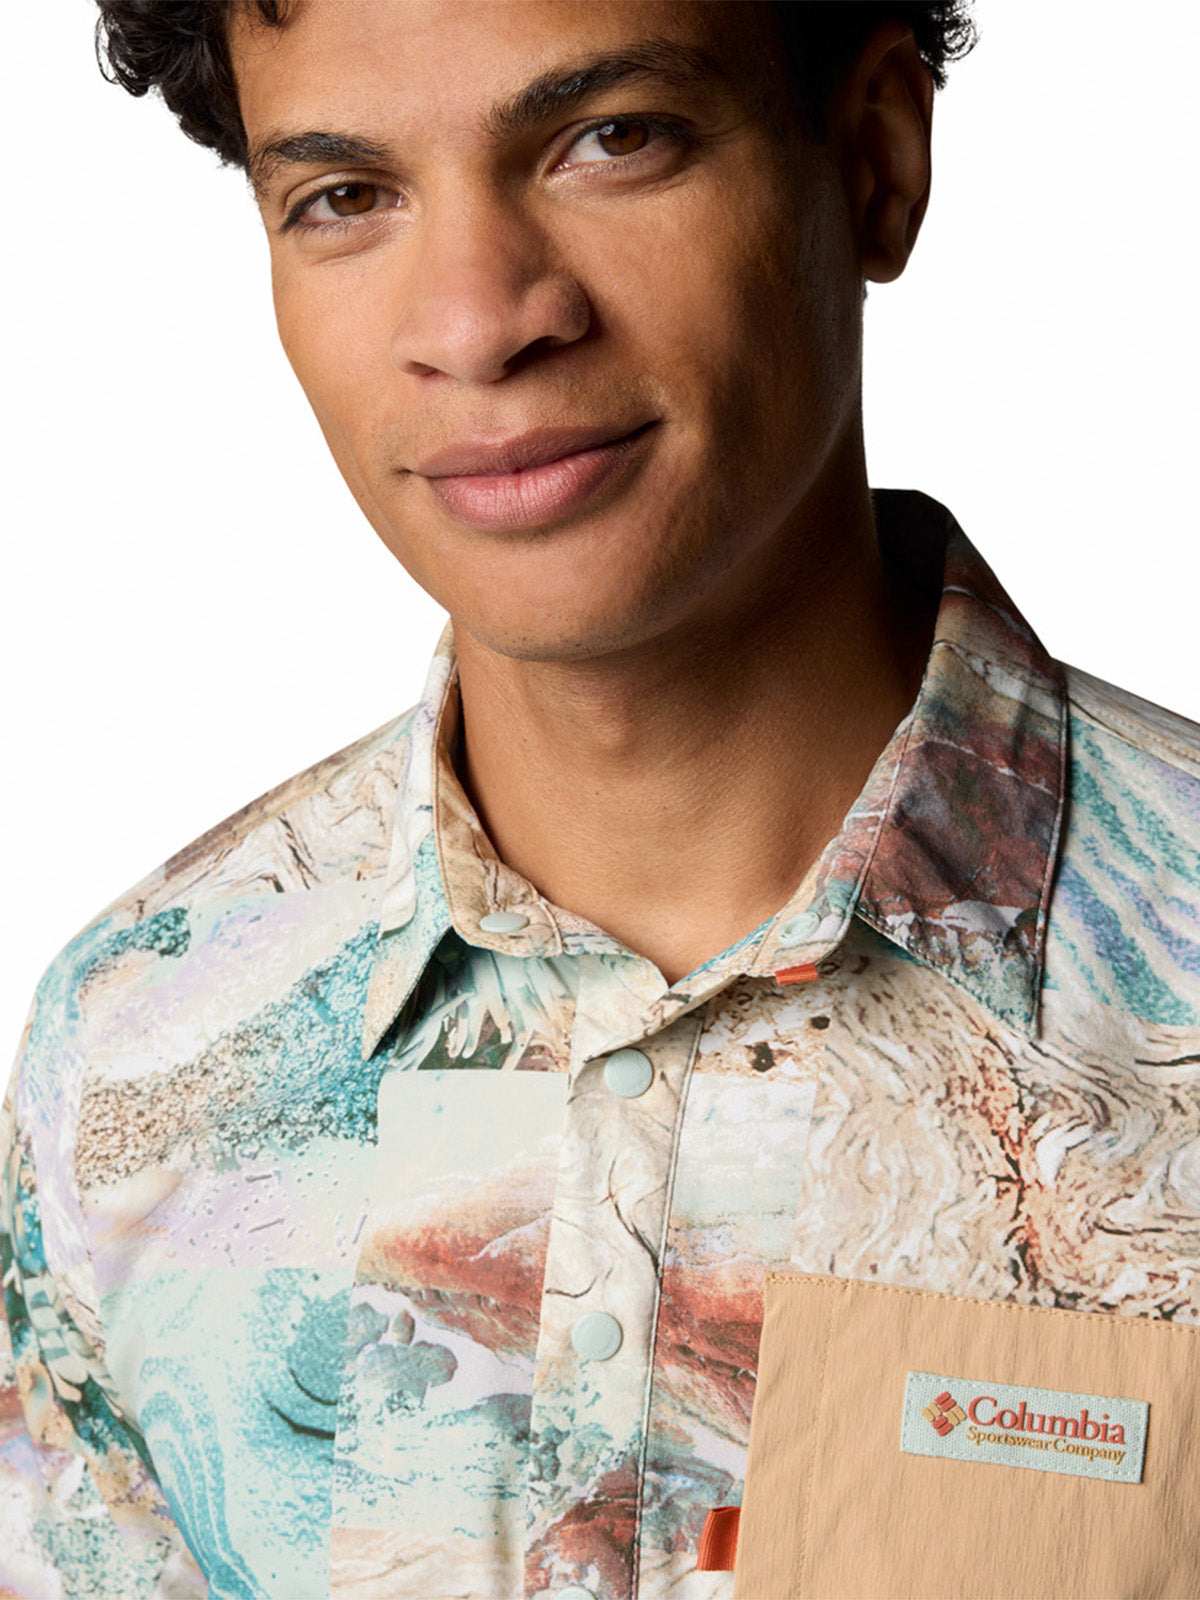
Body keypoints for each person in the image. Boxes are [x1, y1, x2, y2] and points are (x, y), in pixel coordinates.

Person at [3, 2, 1199, 1597]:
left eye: (611, 139)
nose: (477, 321)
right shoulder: (139, 1055)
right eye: (346, 195)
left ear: (875, 158)